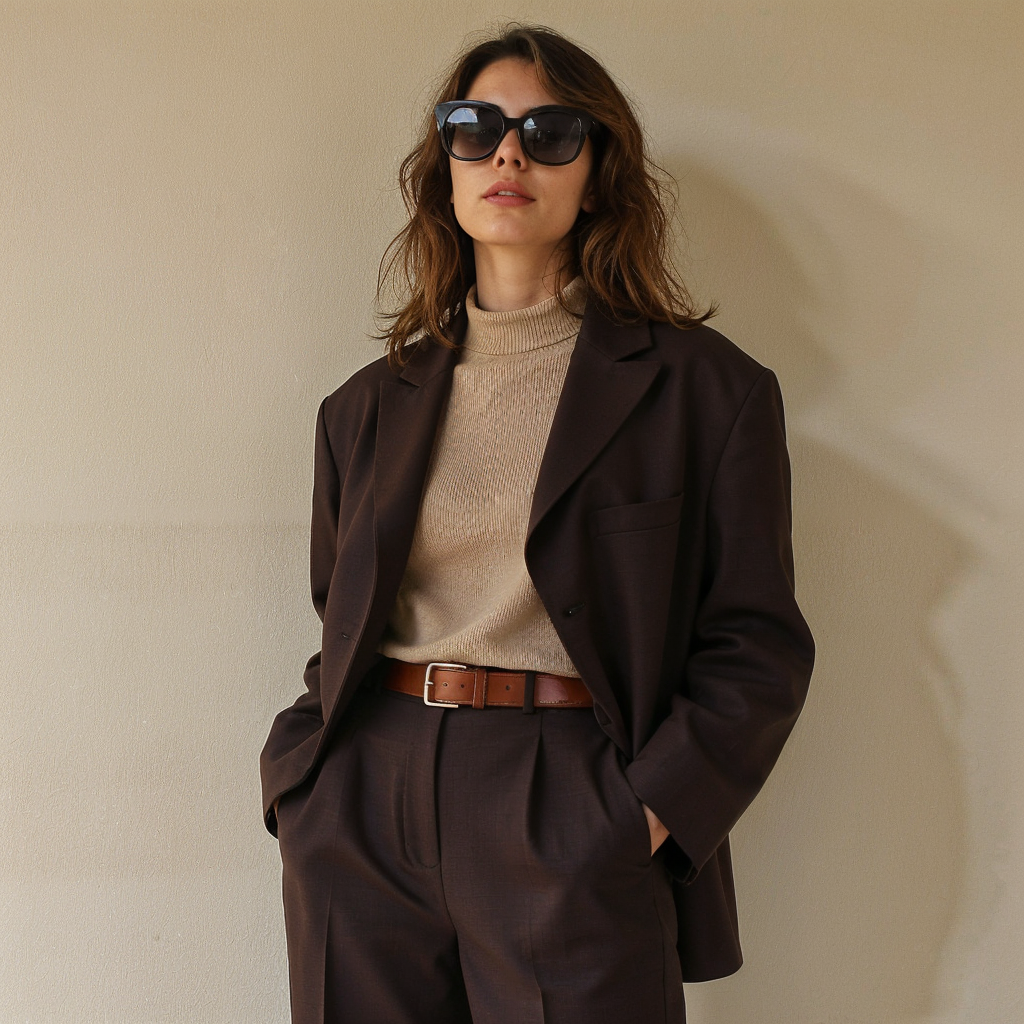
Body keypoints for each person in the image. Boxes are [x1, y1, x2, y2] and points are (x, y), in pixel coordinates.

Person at [260, 23, 814, 1024]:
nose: (508, 152)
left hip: (567, 794)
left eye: (550, 131)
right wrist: (304, 786)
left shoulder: (704, 393)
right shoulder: (364, 407)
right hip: (365, 798)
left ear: (597, 174)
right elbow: (334, 621)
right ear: (447, 169)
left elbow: (755, 647)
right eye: (474, 128)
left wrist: (633, 818)